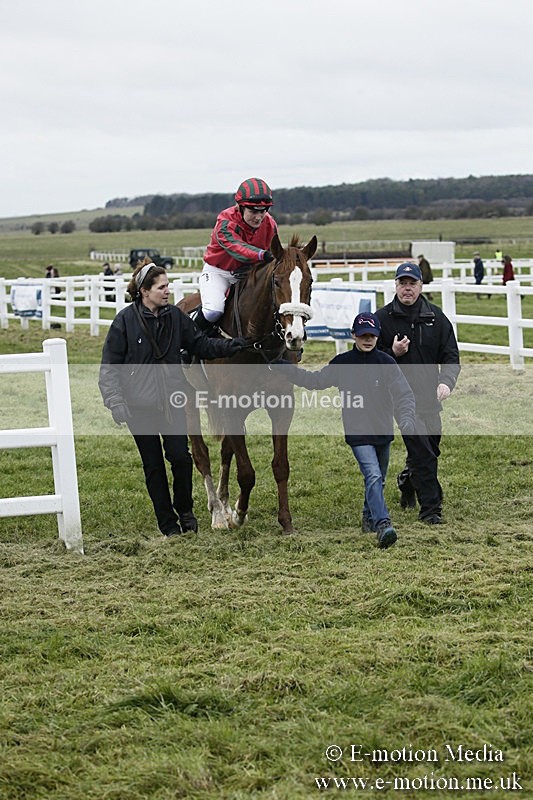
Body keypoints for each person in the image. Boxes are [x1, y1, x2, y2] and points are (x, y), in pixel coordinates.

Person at [99, 260, 249, 539]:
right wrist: (115, 401)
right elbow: (109, 367)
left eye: (168, 286)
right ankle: (168, 525)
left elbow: (200, 344)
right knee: (153, 466)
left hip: (173, 402)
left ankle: (187, 514)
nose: (167, 291)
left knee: (181, 459)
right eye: (161, 287)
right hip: (138, 408)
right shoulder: (125, 321)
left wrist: (232, 345)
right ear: (144, 290)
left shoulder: (175, 318)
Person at [277, 312, 415, 549]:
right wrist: (285, 368)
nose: (368, 339)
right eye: (363, 335)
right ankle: (383, 525)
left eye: (372, 335)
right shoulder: (342, 363)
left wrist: (407, 418)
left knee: (378, 480)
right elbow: (315, 381)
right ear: (354, 335)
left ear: (378, 335)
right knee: (372, 476)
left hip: (383, 431)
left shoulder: (387, 363)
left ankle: (368, 519)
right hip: (358, 433)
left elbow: (404, 394)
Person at [375, 262, 460, 525]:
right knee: (422, 450)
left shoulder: (436, 318)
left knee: (430, 449)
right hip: (400, 400)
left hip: (430, 398)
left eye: (412, 284)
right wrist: (393, 353)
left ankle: (407, 480)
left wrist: (446, 382)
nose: (407, 288)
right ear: (396, 286)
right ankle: (431, 509)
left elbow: (451, 355)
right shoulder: (382, 319)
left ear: (421, 286)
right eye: (402, 283)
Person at [195, 178, 278, 333]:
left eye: (263, 211)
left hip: (249, 275)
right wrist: (263, 255)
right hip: (219, 273)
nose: (259, 217)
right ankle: (188, 343)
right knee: (213, 311)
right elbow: (238, 249)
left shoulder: (271, 224)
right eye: (253, 211)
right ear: (240, 207)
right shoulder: (225, 222)